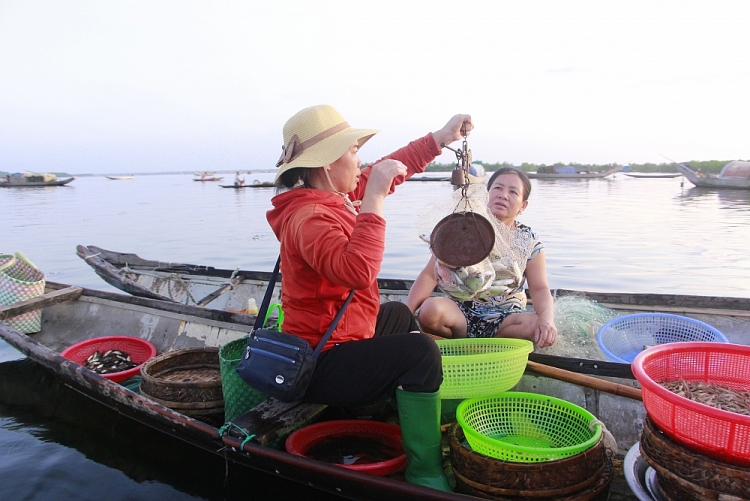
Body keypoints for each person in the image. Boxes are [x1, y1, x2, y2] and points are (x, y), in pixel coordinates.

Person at [267, 104, 472, 491]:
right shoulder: (309, 217)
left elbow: (386, 171)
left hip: (338, 337)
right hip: (316, 364)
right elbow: (357, 272)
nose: (359, 162)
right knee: (420, 353)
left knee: (395, 314)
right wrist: (375, 197)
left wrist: (441, 138)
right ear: (327, 164)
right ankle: (425, 470)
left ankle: (401, 408)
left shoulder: (333, 197)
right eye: (353, 152)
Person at [406, 167, 557, 349]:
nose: (503, 195)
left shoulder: (529, 240)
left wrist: (547, 319)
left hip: (507, 320)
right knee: (430, 310)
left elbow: (540, 288)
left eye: (513, 192)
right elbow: (430, 275)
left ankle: (480, 346)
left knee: (536, 325)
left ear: (523, 205)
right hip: (462, 314)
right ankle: (463, 344)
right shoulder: (464, 227)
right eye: (498, 188)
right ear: (487, 194)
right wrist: (405, 314)